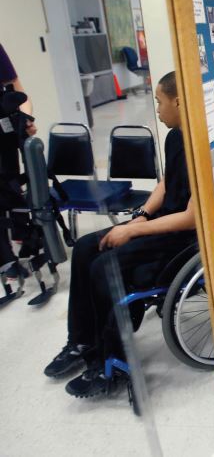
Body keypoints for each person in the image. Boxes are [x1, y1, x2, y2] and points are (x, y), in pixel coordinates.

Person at [43, 71, 197, 399]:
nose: (157, 109)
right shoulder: (174, 137)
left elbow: (191, 218)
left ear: (179, 102)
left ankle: (111, 361)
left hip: (181, 238)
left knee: (104, 266)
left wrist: (133, 230)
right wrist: (140, 215)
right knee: (86, 247)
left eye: (160, 101)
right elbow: (166, 184)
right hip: (159, 222)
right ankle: (81, 341)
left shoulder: (202, 147)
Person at [0, 43, 37, 282]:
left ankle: (24, 237)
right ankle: (5, 260)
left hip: (4, 133)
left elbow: (17, 88)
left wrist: (26, 119)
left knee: (11, 186)